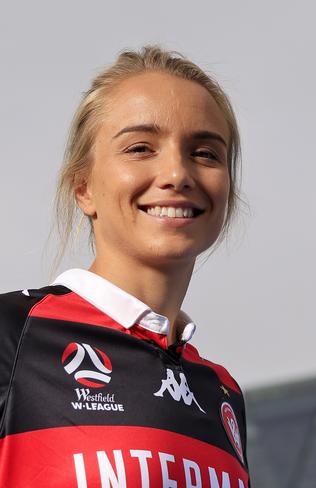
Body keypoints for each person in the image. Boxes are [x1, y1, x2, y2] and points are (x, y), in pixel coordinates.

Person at [0, 47, 250, 487]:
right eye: (140, 148)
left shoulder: (223, 391)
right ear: (83, 188)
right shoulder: (11, 335)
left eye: (206, 153)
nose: (177, 173)